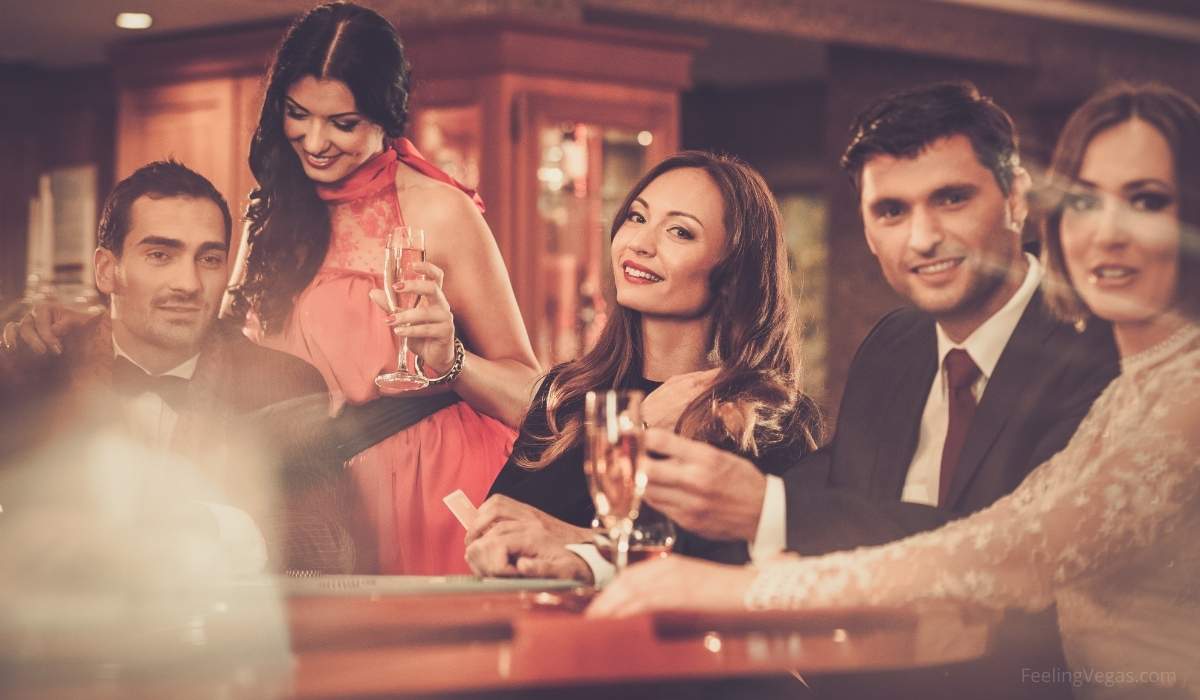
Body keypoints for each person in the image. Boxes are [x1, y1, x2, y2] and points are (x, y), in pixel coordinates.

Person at [592, 82, 1200, 697]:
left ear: (1019, 199)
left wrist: (745, 574)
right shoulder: (899, 342)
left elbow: (1003, 553)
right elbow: (848, 494)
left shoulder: (1119, 362)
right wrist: (594, 552)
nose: (922, 238)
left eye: (952, 199)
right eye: (891, 211)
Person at [216, 2, 540, 574]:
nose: (315, 141)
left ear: (386, 117)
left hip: (428, 486)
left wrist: (452, 360)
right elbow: (229, 354)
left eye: (343, 123)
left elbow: (529, 399)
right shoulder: (269, 210)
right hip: (308, 500)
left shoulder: (440, 212)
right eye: (298, 114)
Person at [464, 151, 823, 584]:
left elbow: (740, 571)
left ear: (731, 273)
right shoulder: (567, 393)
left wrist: (585, 544)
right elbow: (502, 531)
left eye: (679, 232)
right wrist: (636, 427)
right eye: (636, 218)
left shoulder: (770, 418)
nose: (640, 243)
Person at [0, 159, 332, 573]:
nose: (188, 284)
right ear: (107, 270)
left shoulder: (284, 386)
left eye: (209, 259)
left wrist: (198, 524)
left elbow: (326, 549)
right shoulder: (40, 367)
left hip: (222, 632)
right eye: (160, 255)